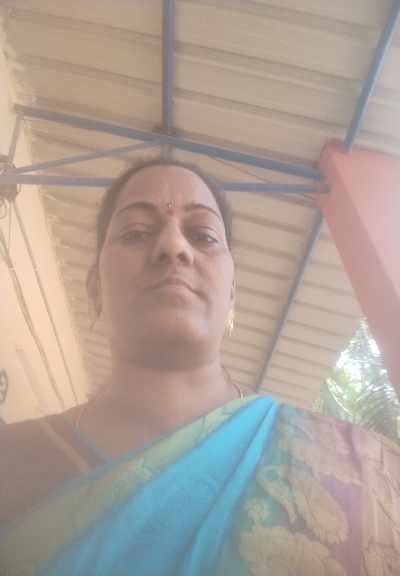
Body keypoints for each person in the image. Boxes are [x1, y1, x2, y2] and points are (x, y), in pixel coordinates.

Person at [1, 159, 399, 575]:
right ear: (94, 287)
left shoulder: (369, 472)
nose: (173, 246)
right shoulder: (12, 461)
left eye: (203, 235)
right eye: (135, 232)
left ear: (232, 294)